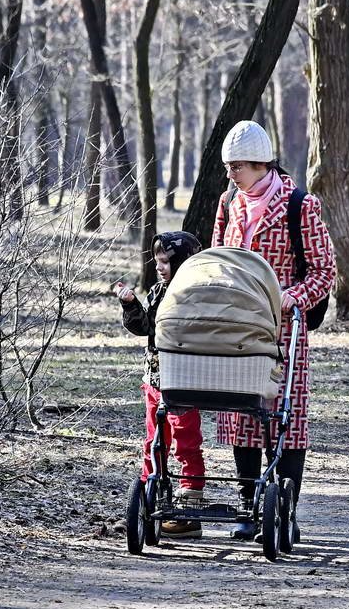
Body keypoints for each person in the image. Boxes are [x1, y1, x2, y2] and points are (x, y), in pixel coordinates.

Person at [212, 120, 337, 540]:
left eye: (237, 166)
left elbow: (324, 271)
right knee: (241, 415)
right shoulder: (228, 202)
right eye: (228, 166)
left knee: (286, 416)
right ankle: (248, 506)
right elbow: (216, 257)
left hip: (283, 328)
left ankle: (285, 509)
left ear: (261, 163)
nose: (231, 173)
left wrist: (292, 296)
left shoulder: (300, 205)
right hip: (237, 324)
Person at [116, 231, 207, 539]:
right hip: (155, 379)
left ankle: (190, 500)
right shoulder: (157, 292)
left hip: (183, 381)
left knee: (186, 441)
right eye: (157, 261)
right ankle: (148, 496)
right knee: (154, 441)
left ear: (183, 262)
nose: (160, 267)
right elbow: (144, 327)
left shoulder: (197, 295)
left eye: (166, 261)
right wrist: (131, 305)